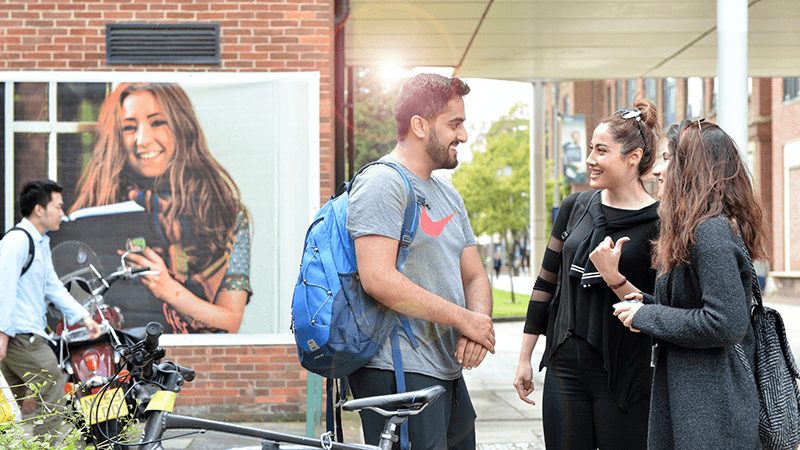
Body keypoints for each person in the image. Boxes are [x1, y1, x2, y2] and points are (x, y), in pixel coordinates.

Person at [346, 73, 495, 450]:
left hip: (445, 371)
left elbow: (474, 275)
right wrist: (466, 320)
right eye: (454, 124)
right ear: (419, 125)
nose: (462, 136)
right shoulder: (384, 183)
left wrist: (477, 325)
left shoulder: (448, 194)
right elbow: (377, 279)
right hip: (397, 373)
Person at [605, 119, 769, 449]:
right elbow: (691, 310)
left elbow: (725, 323)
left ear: (692, 169)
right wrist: (641, 303)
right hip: (698, 408)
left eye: (668, 158)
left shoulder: (710, 234)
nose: (657, 171)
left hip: (714, 415)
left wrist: (646, 317)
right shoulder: (699, 231)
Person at [513, 100, 661, 450]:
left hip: (627, 373)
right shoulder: (574, 207)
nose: (589, 159)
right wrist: (524, 358)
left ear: (633, 156)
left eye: (601, 150)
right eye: (590, 149)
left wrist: (615, 276)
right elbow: (545, 283)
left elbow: (661, 306)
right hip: (565, 368)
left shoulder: (661, 222)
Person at [69, 82, 251, 334]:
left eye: (157, 122)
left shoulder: (227, 217)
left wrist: (166, 288)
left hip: (194, 360)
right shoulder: (97, 210)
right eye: (129, 128)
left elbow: (230, 321)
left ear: (181, 127)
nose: (142, 140)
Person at [0, 180, 102, 439]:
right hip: (20, 336)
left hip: (22, 334)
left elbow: (53, 287)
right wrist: (2, 335)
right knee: (53, 382)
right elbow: (4, 287)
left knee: (10, 401)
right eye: (58, 207)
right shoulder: (17, 241)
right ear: (39, 209)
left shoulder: (39, 243)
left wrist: (83, 317)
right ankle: (46, 445)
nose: (62, 213)